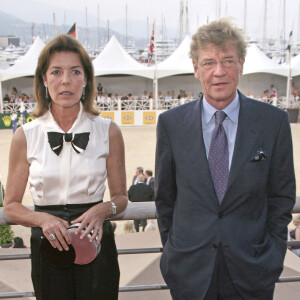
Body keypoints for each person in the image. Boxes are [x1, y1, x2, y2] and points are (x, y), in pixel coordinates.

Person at [155, 18, 295, 300]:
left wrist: (272, 256)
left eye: (228, 61)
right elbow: (165, 199)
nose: (219, 72)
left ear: (241, 64)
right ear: (196, 68)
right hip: (189, 275)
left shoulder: (273, 122)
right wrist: (175, 253)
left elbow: (281, 198)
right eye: (208, 62)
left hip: (253, 273)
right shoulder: (171, 124)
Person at [4, 34, 128, 300]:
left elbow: (121, 197)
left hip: (96, 242)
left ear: (86, 79)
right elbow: (11, 205)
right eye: (56, 72)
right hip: (47, 245)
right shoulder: (25, 135)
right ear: (44, 79)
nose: (65, 80)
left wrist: (104, 209)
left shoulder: (109, 131)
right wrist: (42, 219)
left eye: (75, 72)